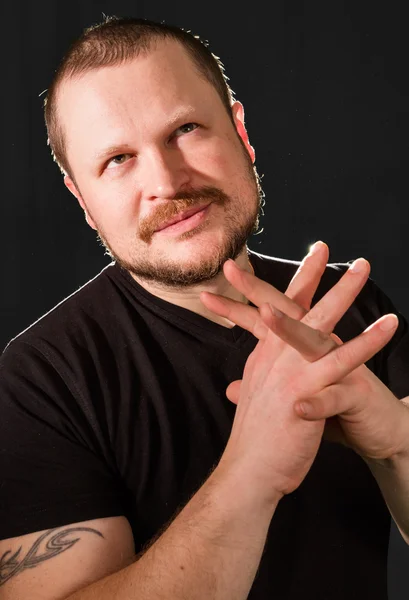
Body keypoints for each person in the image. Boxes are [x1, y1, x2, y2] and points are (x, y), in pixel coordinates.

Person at [0, 15, 408, 600]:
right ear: (82, 198)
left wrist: (395, 439)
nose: (166, 180)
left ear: (239, 130)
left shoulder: (347, 306)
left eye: (186, 129)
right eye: (118, 159)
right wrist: (252, 474)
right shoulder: (43, 378)